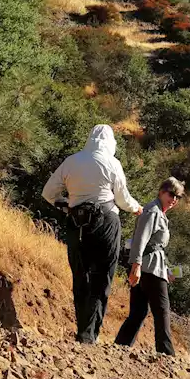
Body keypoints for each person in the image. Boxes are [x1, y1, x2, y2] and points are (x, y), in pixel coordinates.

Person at [42, 125, 143, 344]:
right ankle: (90, 335)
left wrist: (68, 207)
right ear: (110, 142)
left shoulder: (71, 161)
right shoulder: (112, 163)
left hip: (76, 224)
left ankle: (82, 330)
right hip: (106, 223)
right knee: (102, 278)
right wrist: (136, 208)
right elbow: (123, 199)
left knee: (80, 277)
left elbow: (48, 193)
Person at [115, 176, 184, 355]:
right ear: (161, 192)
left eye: (178, 197)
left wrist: (166, 270)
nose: (174, 199)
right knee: (162, 311)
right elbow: (141, 239)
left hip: (151, 266)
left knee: (138, 312)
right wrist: (136, 265)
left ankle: (120, 348)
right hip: (148, 268)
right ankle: (167, 355)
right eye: (172, 194)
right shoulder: (153, 211)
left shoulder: (158, 212)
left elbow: (154, 246)